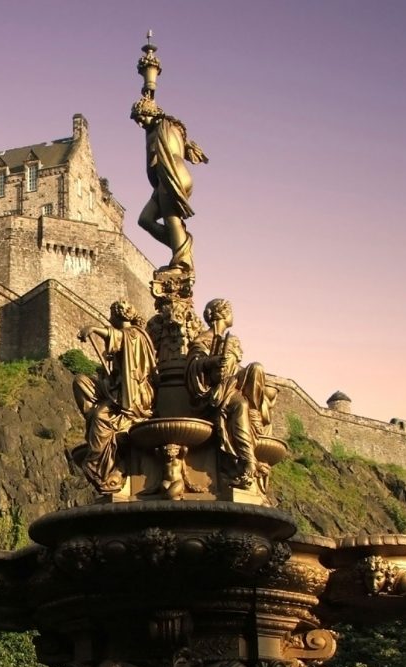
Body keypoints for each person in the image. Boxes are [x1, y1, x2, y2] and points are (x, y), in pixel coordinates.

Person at [73, 301, 156, 493]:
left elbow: (119, 337)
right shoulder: (124, 336)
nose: (109, 318)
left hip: (134, 394)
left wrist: (94, 329)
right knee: (81, 382)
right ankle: (95, 419)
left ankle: (97, 463)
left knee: (100, 416)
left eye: (112, 314)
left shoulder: (134, 334)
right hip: (115, 389)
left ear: (120, 315)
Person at [185, 299, 258, 488]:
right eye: (230, 311)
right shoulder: (203, 339)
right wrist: (212, 362)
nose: (233, 315)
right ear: (222, 313)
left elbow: (234, 370)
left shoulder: (229, 340)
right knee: (240, 405)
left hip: (230, 385)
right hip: (213, 394)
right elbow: (192, 366)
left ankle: (255, 420)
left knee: (256, 369)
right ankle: (247, 460)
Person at [132, 96, 208, 274]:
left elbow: (153, 158)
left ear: (151, 112)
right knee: (145, 219)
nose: (140, 124)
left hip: (171, 172)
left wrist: (149, 87)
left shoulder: (160, 127)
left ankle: (181, 264)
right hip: (171, 175)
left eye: (141, 119)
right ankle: (181, 250)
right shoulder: (169, 126)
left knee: (171, 219)